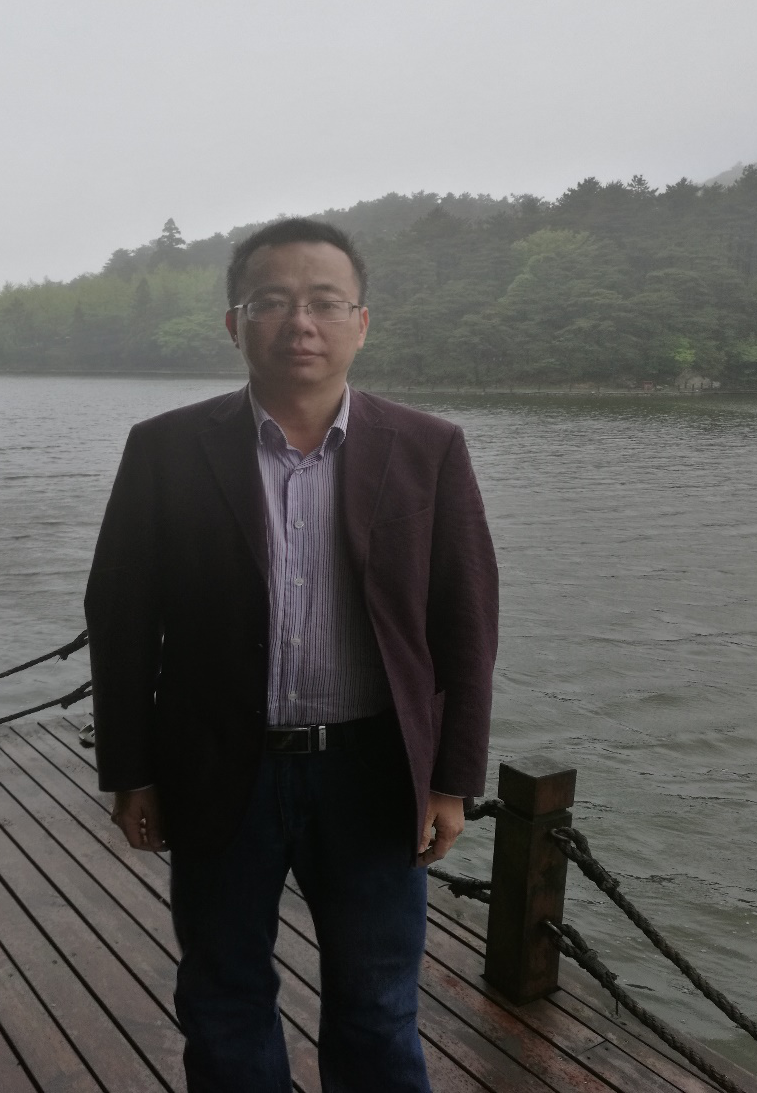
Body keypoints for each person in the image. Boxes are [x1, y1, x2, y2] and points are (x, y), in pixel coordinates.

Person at [85, 218, 498, 1092]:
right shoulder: (165, 448)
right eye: (271, 301)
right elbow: (121, 620)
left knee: (378, 1004)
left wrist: (451, 780)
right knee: (223, 996)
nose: (299, 323)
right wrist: (131, 771)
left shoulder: (427, 449)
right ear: (234, 323)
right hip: (219, 768)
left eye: (323, 303)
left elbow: (465, 625)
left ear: (361, 322)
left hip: (372, 771)